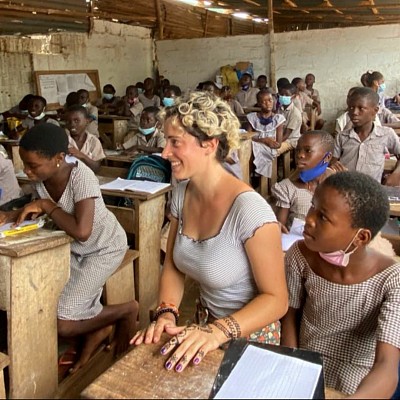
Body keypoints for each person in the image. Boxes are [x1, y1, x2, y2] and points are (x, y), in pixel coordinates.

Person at [130, 91, 288, 371]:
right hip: (206, 326)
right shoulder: (182, 192)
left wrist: (218, 332)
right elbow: (174, 266)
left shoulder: (250, 211)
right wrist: (167, 314)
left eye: (175, 142)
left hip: (249, 335)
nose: (165, 152)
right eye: (165, 141)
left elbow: (276, 301)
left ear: (209, 145)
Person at [0, 124, 138, 374]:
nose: (27, 171)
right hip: (74, 250)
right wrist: (10, 215)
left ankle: (126, 311)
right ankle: (97, 329)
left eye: (33, 166)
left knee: (62, 322)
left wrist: (45, 205)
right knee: (45, 298)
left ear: (59, 159)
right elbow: (41, 208)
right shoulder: (43, 179)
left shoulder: (80, 177)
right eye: (25, 164)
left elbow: (82, 231)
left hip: (103, 248)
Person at [281, 171, 400, 398]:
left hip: (359, 380)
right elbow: (290, 318)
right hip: (307, 363)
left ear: (361, 237)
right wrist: (294, 367)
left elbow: (387, 366)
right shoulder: (300, 255)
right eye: (313, 206)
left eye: (323, 217)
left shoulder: (392, 278)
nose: (309, 219)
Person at [331, 87, 400, 186]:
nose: (354, 112)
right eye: (351, 107)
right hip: (345, 188)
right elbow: (333, 161)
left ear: (375, 111)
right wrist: (333, 166)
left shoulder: (386, 134)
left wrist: (396, 174)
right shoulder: (342, 136)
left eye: (361, 108)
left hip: (372, 190)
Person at [272, 130, 334, 232]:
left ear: (327, 157)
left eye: (308, 151)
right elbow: (280, 228)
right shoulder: (287, 188)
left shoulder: (335, 181)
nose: (300, 155)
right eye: (298, 150)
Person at [246, 89, 285, 179]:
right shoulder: (252, 118)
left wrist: (264, 142)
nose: (268, 103)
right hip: (254, 145)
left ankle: (257, 176)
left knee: (256, 150)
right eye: (264, 101)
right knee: (248, 148)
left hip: (270, 147)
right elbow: (248, 137)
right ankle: (251, 177)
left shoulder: (278, 119)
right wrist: (264, 140)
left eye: (270, 100)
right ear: (259, 103)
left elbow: (278, 144)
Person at [65, 105, 105, 173]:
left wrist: (82, 156)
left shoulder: (93, 141)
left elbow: (96, 168)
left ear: (87, 121)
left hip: (88, 179)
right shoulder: (63, 140)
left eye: (76, 121)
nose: (72, 124)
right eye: (69, 121)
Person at [276, 82, 302, 156]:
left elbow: (287, 134)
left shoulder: (295, 113)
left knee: (273, 150)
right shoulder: (279, 109)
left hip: (290, 140)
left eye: (287, 95)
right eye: (281, 94)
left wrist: (276, 143)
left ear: (293, 97)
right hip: (279, 137)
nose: (283, 96)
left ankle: (273, 168)